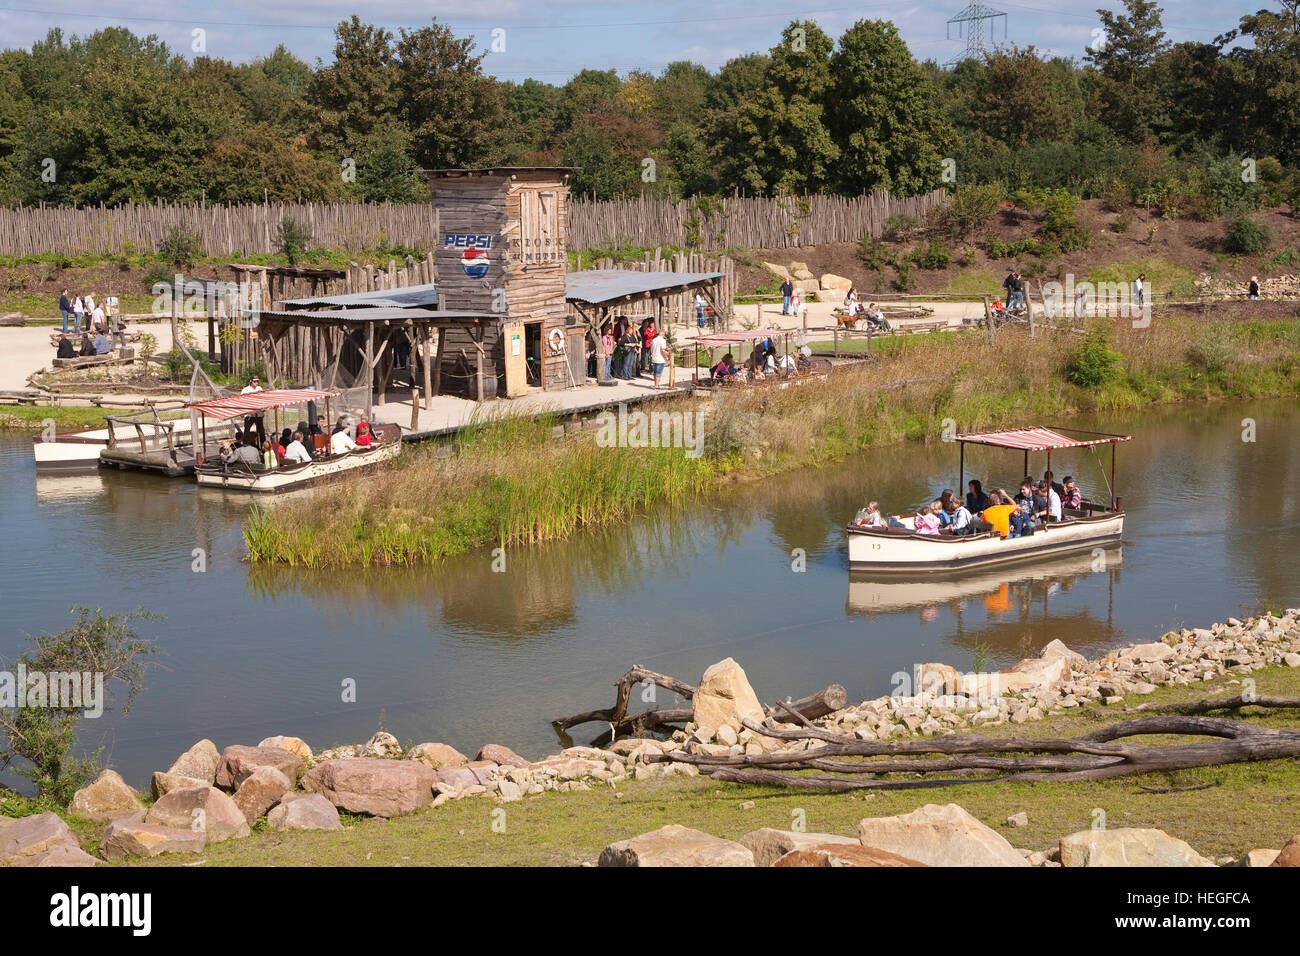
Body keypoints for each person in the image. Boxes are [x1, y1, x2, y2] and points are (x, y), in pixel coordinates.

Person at [241, 374, 265, 446]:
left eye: (257, 381)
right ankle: (245, 446)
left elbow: (263, 400)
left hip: (258, 413)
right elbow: (241, 401)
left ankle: (263, 447)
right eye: (255, 381)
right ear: (251, 381)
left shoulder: (260, 389)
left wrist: (263, 409)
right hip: (249, 414)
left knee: (261, 432)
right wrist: (242, 412)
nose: (256, 383)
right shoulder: (245, 390)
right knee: (247, 431)